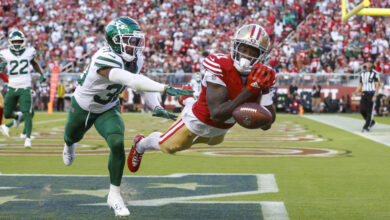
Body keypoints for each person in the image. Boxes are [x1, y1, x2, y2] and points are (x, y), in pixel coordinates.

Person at [62, 17, 192, 217]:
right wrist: (164, 88)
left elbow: (139, 84)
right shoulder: (104, 57)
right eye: (130, 40)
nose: (135, 45)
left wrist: (157, 105)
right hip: (84, 106)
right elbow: (132, 80)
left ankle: (114, 195)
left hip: (108, 106)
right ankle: (70, 145)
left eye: (136, 40)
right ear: (115, 40)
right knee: (71, 137)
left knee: (116, 142)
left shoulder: (135, 59)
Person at [128, 24, 276, 174]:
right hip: (198, 119)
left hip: (221, 128)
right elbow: (216, 115)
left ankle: (189, 98)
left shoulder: (264, 75)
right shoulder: (219, 64)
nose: (247, 56)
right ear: (235, 47)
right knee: (170, 146)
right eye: (244, 49)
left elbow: (267, 124)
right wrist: (250, 89)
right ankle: (140, 144)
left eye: (253, 52)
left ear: (261, 56)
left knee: (213, 141)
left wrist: (263, 90)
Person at [0, 30, 46, 147]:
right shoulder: (5, 53)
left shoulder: (29, 51)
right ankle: (16, 117)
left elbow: (34, 64)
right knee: (7, 113)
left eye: (19, 41)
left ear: (23, 41)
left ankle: (28, 139)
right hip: (12, 87)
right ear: (10, 42)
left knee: (27, 112)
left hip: (25, 87)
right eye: (14, 41)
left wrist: (42, 74)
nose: (17, 43)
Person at [353, 58, 379, 132]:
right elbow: (360, 85)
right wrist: (356, 91)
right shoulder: (362, 73)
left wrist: (375, 95)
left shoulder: (375, 73)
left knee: (369, 111)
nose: (369, 63)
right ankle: (371, 122)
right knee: (362, 110)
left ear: (372, 64)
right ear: (365, 63)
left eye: (371, 62)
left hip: (371, 93)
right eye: (368, 62)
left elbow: (377, 85)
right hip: (364, 93)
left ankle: (366, 127)